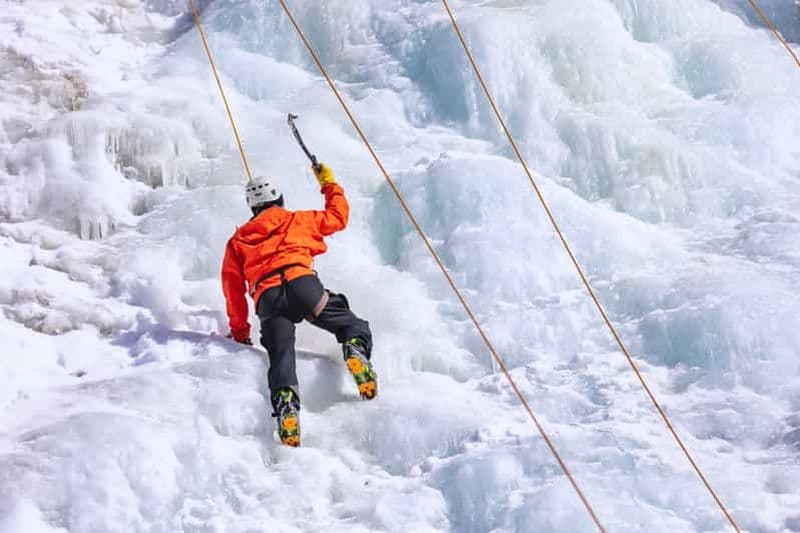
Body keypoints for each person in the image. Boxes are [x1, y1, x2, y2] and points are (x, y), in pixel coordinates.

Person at [221, 163, 377, 447]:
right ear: (280, 198)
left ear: (251, 207)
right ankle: (354, 348)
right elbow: (338, 217)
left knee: (281, 355)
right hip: (303, 285)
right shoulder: (299, 220)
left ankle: (286, 406)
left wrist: (240, 332)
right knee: (350, 324)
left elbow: (232, 290)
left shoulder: (238, 240)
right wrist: (328, 183)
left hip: (268, 298)